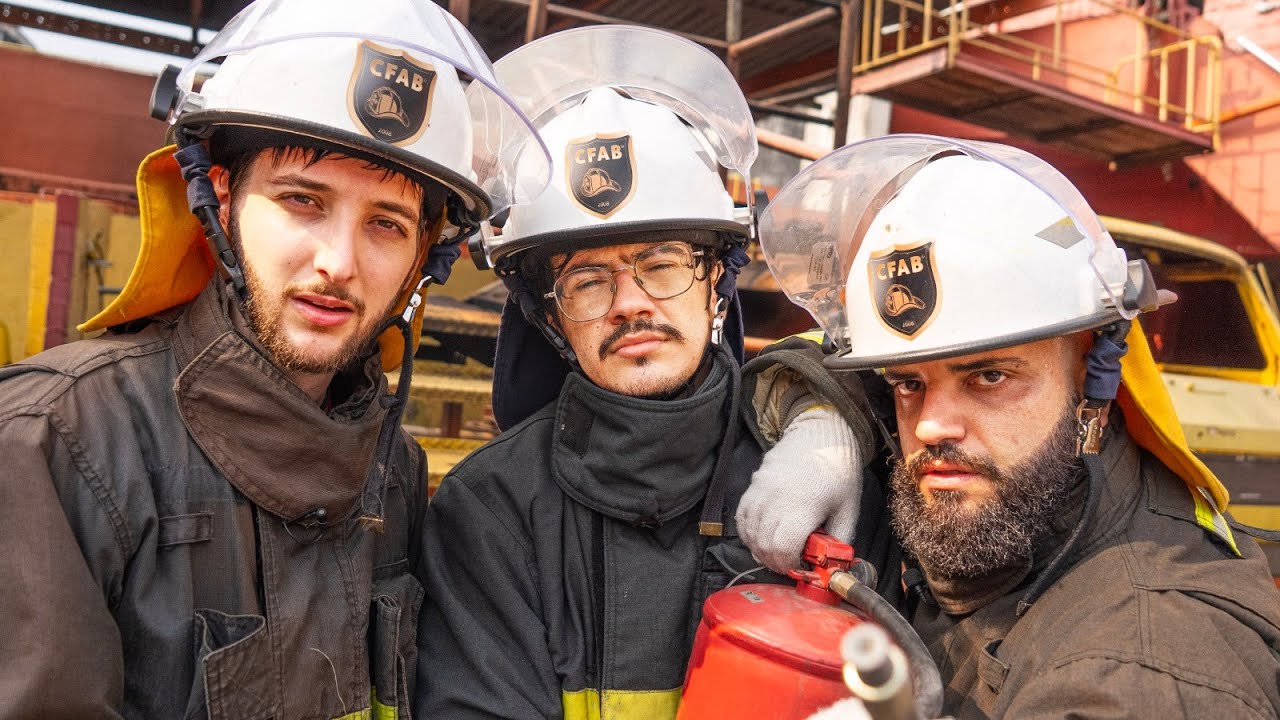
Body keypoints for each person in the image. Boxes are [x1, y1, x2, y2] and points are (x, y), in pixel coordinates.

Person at [0, 1, 548, 717]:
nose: (338, 263)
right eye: (302, 200)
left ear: (424, 257)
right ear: (221, 200)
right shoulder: (57, 443)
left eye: (386, 223)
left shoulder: (394, 468)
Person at [415, 26, 897, 719]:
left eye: (663, 263)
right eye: (587, 281)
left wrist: (832, 415)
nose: (631, 303)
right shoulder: (490, 510)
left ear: (715, 284)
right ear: (550, 317)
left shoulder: (829, 479)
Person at [758, 134, 1280, 718]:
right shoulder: (1021, 488)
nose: (930, 426)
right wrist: (822, 420)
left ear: (1092, 380)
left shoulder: (1138, 676)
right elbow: (822, 355)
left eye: (987, 378)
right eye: (908, 383)